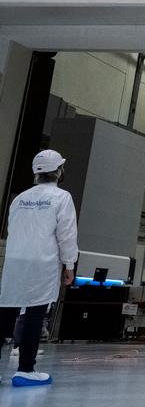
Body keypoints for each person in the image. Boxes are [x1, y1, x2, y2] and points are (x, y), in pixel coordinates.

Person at [0, 149, 80, 387]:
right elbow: (66, 235)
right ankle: (25, 369)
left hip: (15, 262)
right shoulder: (62, 198)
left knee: (5, 313)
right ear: (58, 171)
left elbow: (13, 230)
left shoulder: (19, 198)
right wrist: (69, 264)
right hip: (42, 263)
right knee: (35, 314)